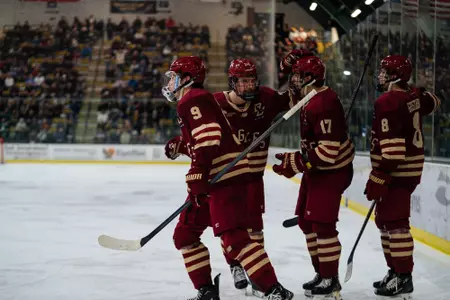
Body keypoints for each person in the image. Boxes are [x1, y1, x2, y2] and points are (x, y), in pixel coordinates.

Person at [162, 56, 293, 300]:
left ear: (187, 80)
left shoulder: (193, 99)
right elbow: (205, 141)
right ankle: (207, 291)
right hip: (214, 181)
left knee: (237, 240)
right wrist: (183, 148)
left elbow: (209, 138)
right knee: (185, 236)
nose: (170, 83)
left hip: (226, 179)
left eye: (174, 78)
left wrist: (197, 174)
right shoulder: (201, 100)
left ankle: (274, 290)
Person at [272, 56, 354, 299]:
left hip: (331, 171)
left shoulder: (323, 103)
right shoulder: (310, 96)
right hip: (317, 170)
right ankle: (322, 273)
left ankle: (331, 278)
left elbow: (328, 153)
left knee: (322, 226)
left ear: (309, 78)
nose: (293, 80)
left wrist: (296, 163)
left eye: (297, 76)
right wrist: (287, 64)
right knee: (307, 223)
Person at [365, 55, 440, 299]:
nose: (381, 76)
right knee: (385, 221)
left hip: (396, 172)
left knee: (395, 224)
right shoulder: (413, 97)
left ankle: (403, 277)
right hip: (408, 169)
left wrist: (379, 176)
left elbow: (394, 151)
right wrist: (418, 91)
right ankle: (395, 270)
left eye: (385, 72)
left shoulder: (387, 101)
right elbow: (434, 102)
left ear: (395, 75)